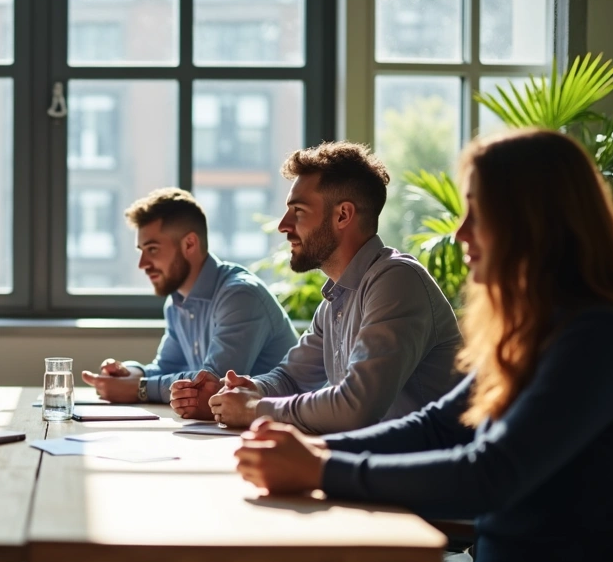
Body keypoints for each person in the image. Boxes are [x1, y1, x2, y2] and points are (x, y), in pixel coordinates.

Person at [199, 128, 613, 562]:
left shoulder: (598, 338)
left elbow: (489, 473)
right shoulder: (534, 332)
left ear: (535, 222)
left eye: (479, 212)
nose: (461, 232)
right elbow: (437, 424)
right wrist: (313, 450)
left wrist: (320, 468)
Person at [171, 143, 464, 433]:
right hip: (371, 465)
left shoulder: (397, 281)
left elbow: (356, 406)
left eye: (298, 211)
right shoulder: (336, 299)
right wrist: (245, 390)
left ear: (342, 216)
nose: (283, 225)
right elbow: (290, 379)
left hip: (423, 471)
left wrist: (254, 409)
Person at [81, 188, 298, 405]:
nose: (142, 264)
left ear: (189, 244)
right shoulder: (176, 301)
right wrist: (130, 372)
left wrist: (140, 389)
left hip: (281, 427)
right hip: (231, 424)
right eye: (141, 251)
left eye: (153, 249)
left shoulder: (240, 296)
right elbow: (167, 367)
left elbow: (210, 385)